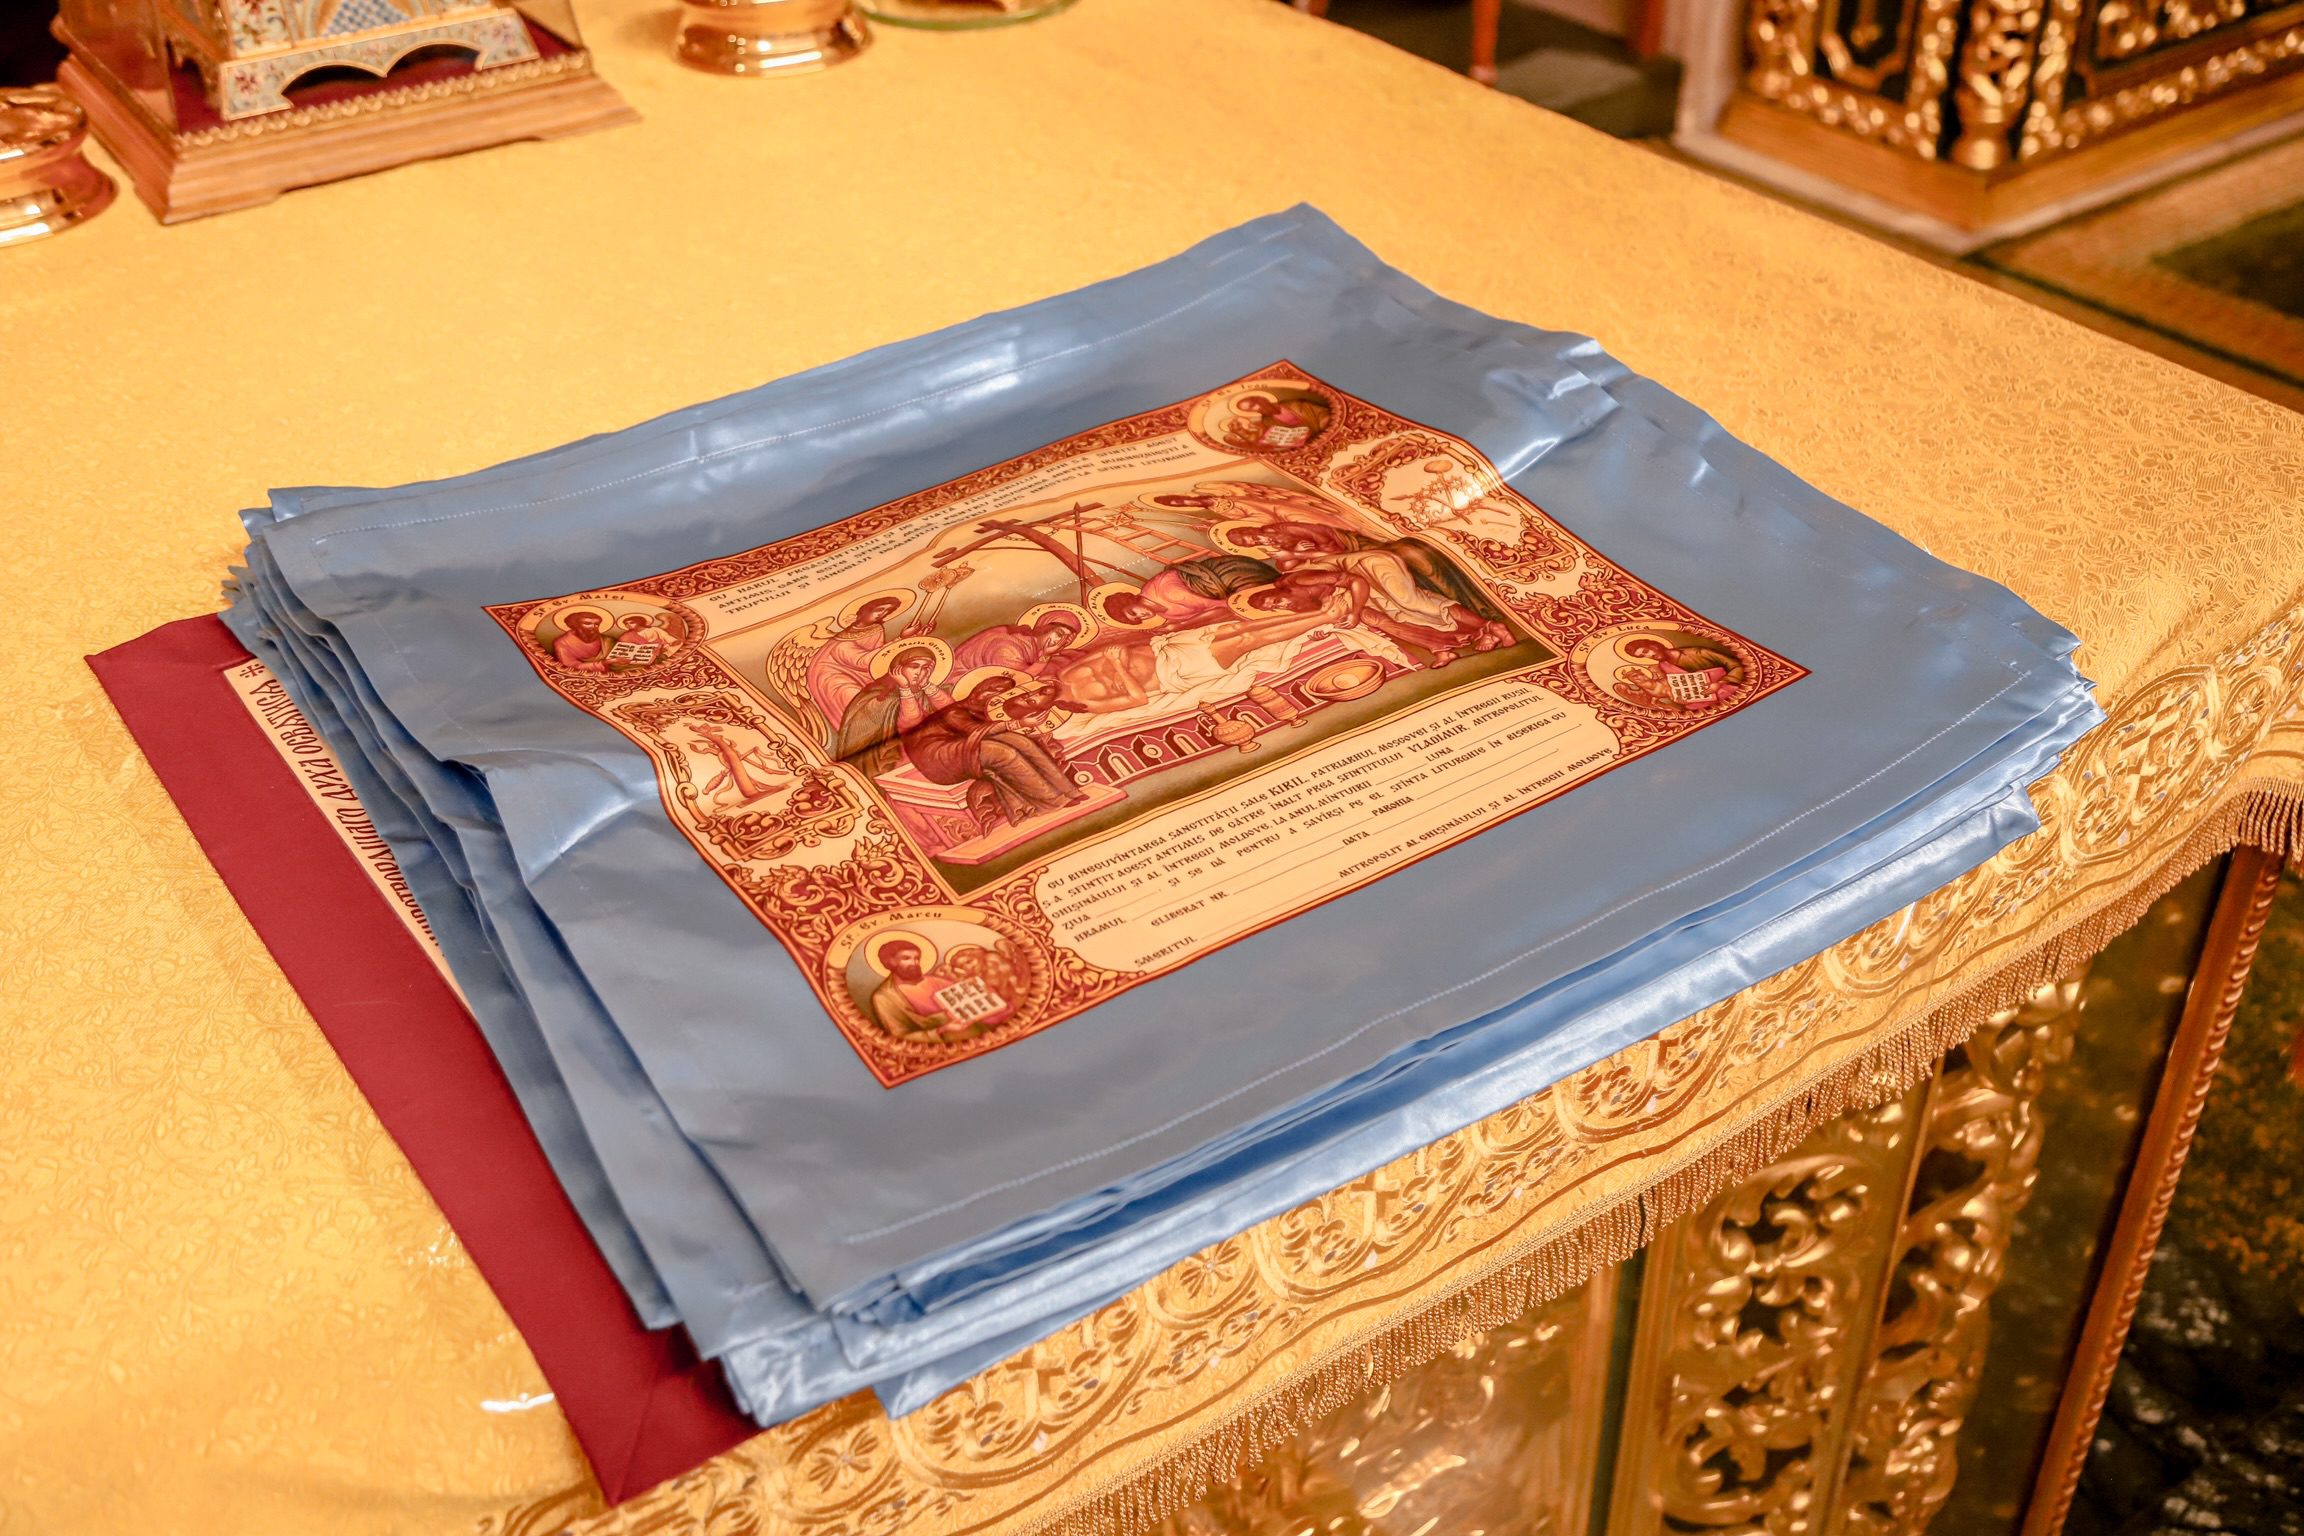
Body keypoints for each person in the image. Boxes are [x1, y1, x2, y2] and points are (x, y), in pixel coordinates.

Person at [1054, 588, 1353, 713]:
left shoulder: (1065, 673)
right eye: (1034, 700)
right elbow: (1138, 698)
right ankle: (1325, 617)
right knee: (1246, 641)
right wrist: (1118, 666)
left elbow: (1112, 649)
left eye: (1032, 691)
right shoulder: (1083, 704)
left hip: (1164, 648)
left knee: (1239, 628)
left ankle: (1317, 613)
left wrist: (1116, 657)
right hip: (1171, 671)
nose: (1036, 692)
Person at [900, 676, 1083, 834]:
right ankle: (1053, 801)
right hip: (939, 758)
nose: (990, 695)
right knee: (1004, 754)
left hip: (964, 746)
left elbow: (987, 730)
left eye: (1000, 692)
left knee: (1023, 742)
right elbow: (976, 731)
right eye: (989, 690)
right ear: (977, 691)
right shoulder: (955, 712)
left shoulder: (984, 711)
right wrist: (1018, 724)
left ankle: (1068, 791)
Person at [832, 645, 952, 775]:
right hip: (886, 754)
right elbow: (911, 721)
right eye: (914, 666)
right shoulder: (881, 697)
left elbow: (951, 710)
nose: (919, 672)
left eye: (925, 668)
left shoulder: (920, 690)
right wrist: (904, 688)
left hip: (921, 746)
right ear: (897, 669)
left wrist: (926, 684)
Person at [804, 595, 909, 728]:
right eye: (879, 609)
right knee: (857, 701)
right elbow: (861, 661)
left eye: (887, 612)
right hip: (833, 677)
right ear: (864, 611)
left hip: (862, 674)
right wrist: (900, 639)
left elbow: (878, 658)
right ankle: (862, 730)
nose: (882, 614)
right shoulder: (842, 640)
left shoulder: (876, 630)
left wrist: (911, 638)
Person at [866, 939, 959, 1042]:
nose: (914, 963)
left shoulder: (938, 982)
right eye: (906, 958)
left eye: (917, 958)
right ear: (891, 961)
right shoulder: (884, 997)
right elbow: (899, 1036)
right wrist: (941, 1030)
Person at [1620, 635, 1744, 708]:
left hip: (1732, 689)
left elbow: (1737, 666)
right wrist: (1679, 697)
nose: (1648, 656)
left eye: (1646, 651)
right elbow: (1683, 685)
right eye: (1643, 656)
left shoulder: (1698, 653)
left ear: (1654, 646)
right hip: (1709, 697)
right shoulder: (1664, 666)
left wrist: (1721, 682)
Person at [951, 611, 1084, 676]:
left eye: (1067, 639)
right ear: (1044, 628)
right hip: (958, 684)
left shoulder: (1031, 643)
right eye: (1059, 634)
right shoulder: (1008, 645)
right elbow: (1019, 678)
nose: (1061, 642)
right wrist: (1046, 656)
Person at [688, 721, 789, 806]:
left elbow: (739, 759)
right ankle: (754, 790)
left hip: (735, 762)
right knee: (744, 776)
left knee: (747, 776)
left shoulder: (728, 751)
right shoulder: (721, 753)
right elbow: (733, 761)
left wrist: (764, 766)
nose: (706, 726)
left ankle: (760, 786)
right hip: (739, 775)